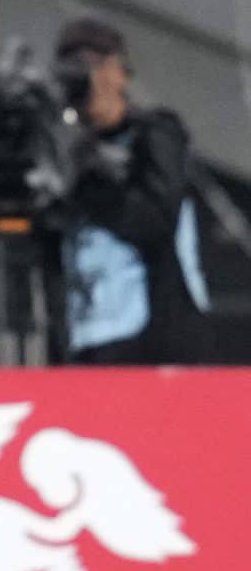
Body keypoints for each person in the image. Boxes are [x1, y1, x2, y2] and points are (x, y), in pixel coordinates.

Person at [56, 19, 208, 364]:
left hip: (155, 326)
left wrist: (89, 176)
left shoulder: (155, 133)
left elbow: (154, 220)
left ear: (120, 73)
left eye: (96, 66)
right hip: (85, 328)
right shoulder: (64, 147)